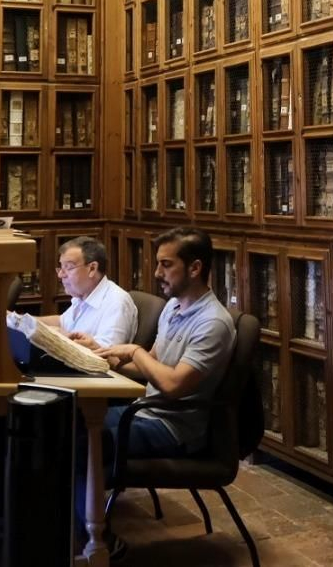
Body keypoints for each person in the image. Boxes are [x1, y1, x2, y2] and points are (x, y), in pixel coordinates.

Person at [85, 227, 236, 556]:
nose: (157, 273)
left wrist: (133, 351)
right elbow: (149, 367)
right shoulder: (174, 307)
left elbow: (172, 385)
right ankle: (69, 531)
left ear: (195, 268)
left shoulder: (213, 323)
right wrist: (102, 356)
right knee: (68, 421)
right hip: (145, 411)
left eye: (166, 265)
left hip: (174, 427)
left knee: (84, 443)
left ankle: (99, 544)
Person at [0, 235, 135, 514]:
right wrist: (22, 321)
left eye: (68, 267)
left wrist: (75, 343)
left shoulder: (116, 302)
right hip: (71, 377)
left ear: (92, 268)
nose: (62, 275)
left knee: (12, 409)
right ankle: (7, 490)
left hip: (98, 391)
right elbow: (62, 322)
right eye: (60, 267)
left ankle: (19, 497)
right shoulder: (83, 296)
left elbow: (106, 359)